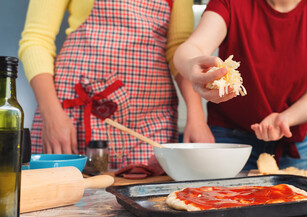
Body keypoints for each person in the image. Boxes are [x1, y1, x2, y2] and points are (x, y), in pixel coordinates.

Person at [19, 0, 204, 169]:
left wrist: (196, 114)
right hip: (74, 113)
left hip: (150, 118)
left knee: (149, 199)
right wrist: (51, 113)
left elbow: (178, 47)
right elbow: (36, 39)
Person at [173, 0, 307, 170]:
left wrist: (285, 119)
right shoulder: (230, 3)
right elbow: (192, 47)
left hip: (290, 145)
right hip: (229, 140)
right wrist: (190, 67)